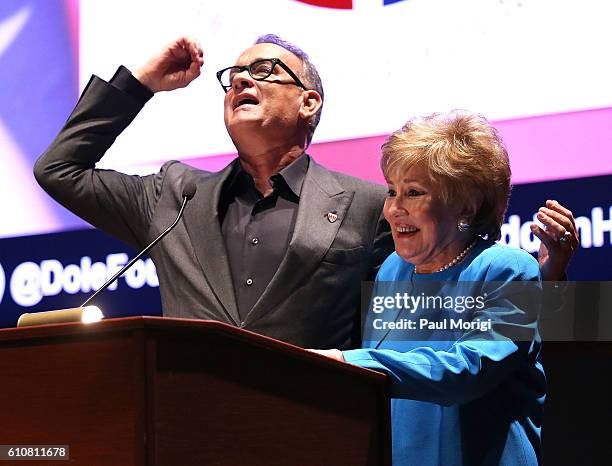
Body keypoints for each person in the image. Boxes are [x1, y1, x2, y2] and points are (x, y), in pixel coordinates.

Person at [34, 35, 577, 351]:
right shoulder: (173, 197)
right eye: (235, 74)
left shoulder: (374, 207)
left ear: (310, 103)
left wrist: (546, 284)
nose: (243, 79)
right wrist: (141, 83)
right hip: (187, 430)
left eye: (265, 70)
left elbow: (441, 331)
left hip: (317, 437)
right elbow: (60, 168)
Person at [312, 112, 554, 465]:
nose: (394, 209)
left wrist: (348, 364)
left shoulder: (510, 269)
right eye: (392, 191)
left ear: (466, 205)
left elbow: (469, 371)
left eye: (413, 192)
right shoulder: (391, 271)